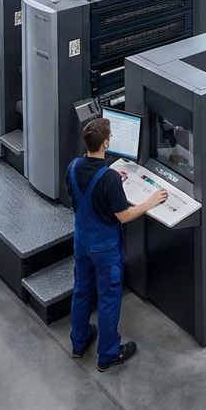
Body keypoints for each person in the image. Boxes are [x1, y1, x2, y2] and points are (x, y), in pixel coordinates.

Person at [67, 117, 166, 372]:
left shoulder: (74, 167)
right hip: (105, 247)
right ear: (107, 143)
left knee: (81, 290)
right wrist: (150, 202)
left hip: (81, 241)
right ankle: (108, 353)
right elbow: (124, 216)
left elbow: (79, 199)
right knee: (109, 298)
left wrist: (111, 181)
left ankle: (79, 342)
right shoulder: (109, 179)